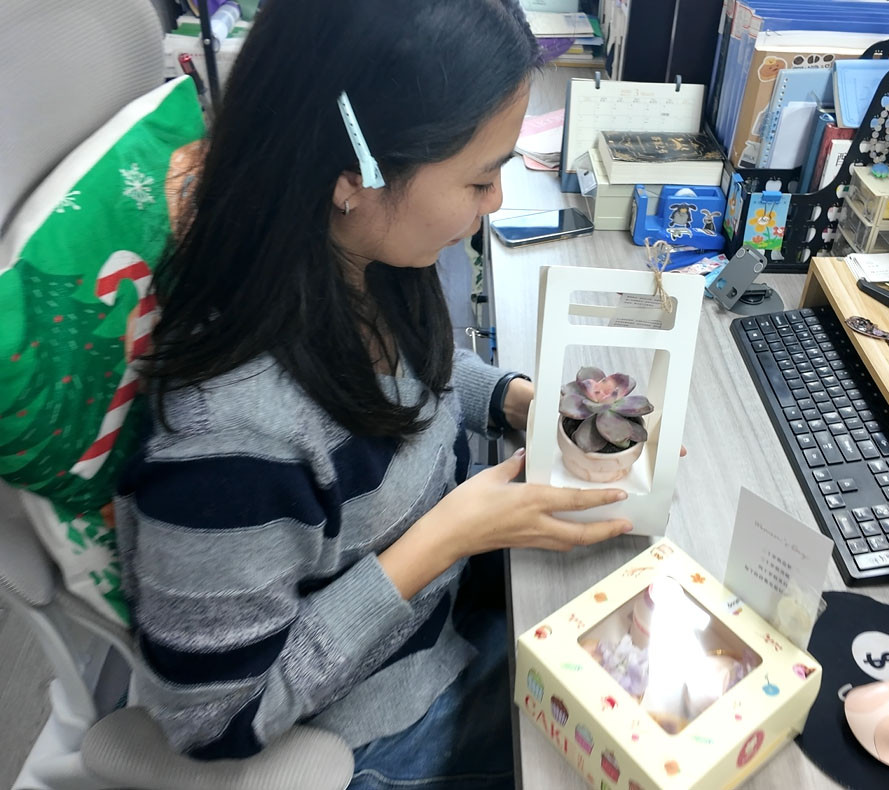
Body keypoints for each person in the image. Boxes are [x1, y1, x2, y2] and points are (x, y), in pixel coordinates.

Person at [114, 1, 633, 787]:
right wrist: (438, 541)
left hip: (445, 632)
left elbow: (395, 388)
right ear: (353, 179)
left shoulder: (366, 268)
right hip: (379, 735)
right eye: (480, 177)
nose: (494, 203)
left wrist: (515, 400)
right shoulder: (231, 438)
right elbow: (211, 719)